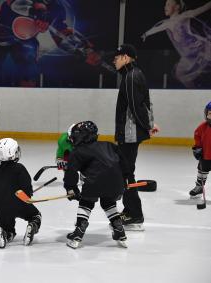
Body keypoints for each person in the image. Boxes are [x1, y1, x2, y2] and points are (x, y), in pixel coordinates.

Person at [0, 0, 102, 86]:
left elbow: (61, 34)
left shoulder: (57, 8)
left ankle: (27, 103)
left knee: (29, 59)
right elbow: (15, 4)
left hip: (24, 42)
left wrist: (84, 49)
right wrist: (38, 12)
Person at [113, 44, 160, 231]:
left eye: (117, 57)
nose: (114, 61)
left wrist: (148, 125)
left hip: (130, 134)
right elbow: (145, 103)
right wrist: (150, 122)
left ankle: (134, 213)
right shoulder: (133, 75)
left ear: (126, 57)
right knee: (125, 171)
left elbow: (136, 105)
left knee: (125, 173)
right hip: (130, 133)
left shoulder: (131, 77)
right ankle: (131, 211)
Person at [64, 121, 128, 249]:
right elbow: (124, 164)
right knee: (109, 203)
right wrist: (124, 181)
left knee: (86, 203)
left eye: (74, 135)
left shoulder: (78, 151)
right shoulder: (109, 145)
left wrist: (71, 188)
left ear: (80, 136)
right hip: (116, 183)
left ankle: (78, 233)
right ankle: (119, 229)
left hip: (94, 183)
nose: (72, 138)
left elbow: (71, 172)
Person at [0, 138, 42, 248]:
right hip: (20, 204)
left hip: (1, 209)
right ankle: (32, 225)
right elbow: (26, 191)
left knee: (7, 226)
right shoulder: (20, 168)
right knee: (36, 216)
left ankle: (5, 232)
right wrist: (27, 195)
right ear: (12, 153)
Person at [141, 0, 211, 88]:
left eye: (168, 4)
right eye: (165, 5)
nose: (165, 7)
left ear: (177, 7)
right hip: (189, 56)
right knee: (179, 74)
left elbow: (203, 8)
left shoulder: (184, 16)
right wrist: (146, 34)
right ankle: (193, 92)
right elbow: (157, 28)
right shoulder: (167, 23)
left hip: (202, 49)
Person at [189, 101, 211, 198]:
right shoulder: (202, 127)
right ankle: (199, 187)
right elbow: (197, 137)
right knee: (202, 171)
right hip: (206, 155)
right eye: (210, 113)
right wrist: (197, 148)